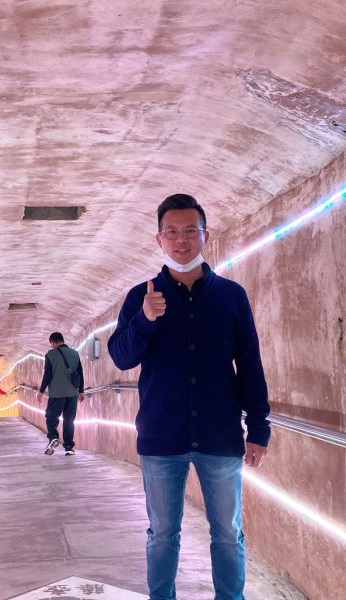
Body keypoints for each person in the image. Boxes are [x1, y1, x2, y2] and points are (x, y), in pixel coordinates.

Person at [108, 193, 271, 600]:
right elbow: (121, 357)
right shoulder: (140, 297)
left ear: (205, 236)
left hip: (220, 435)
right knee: (163, 534)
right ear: (159, 239)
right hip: (161, 437)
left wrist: (259, 428)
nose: (181, 240)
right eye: (172, 232)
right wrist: (145, 319)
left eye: (190, 231)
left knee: (228, 534)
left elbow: (249, 363)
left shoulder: (231, 296)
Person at [36, 332, 85, 456]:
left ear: (53, 342)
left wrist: (40, 391)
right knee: (69, 420)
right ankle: (69, 447)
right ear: (62, 340)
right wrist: (81, 391)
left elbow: (47, 375)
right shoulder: (75, 353)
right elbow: (80, 373)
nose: (51, 346)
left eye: (51, 343)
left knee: (51, 417)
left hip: (57, 394)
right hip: (72, 393)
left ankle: (53, 437)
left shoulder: (50, 355)